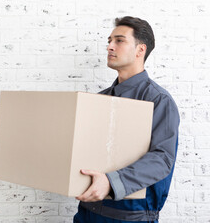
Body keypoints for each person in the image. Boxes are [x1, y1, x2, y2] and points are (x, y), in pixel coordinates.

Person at [73, 16, 180, 223]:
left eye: (119, 40)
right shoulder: (99, 99)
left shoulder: (158, 100)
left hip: (129, 218)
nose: (109, 47)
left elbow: (162, 158)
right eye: (109, 40)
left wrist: (112, 182)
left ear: (141, 49)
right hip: (87, 213)